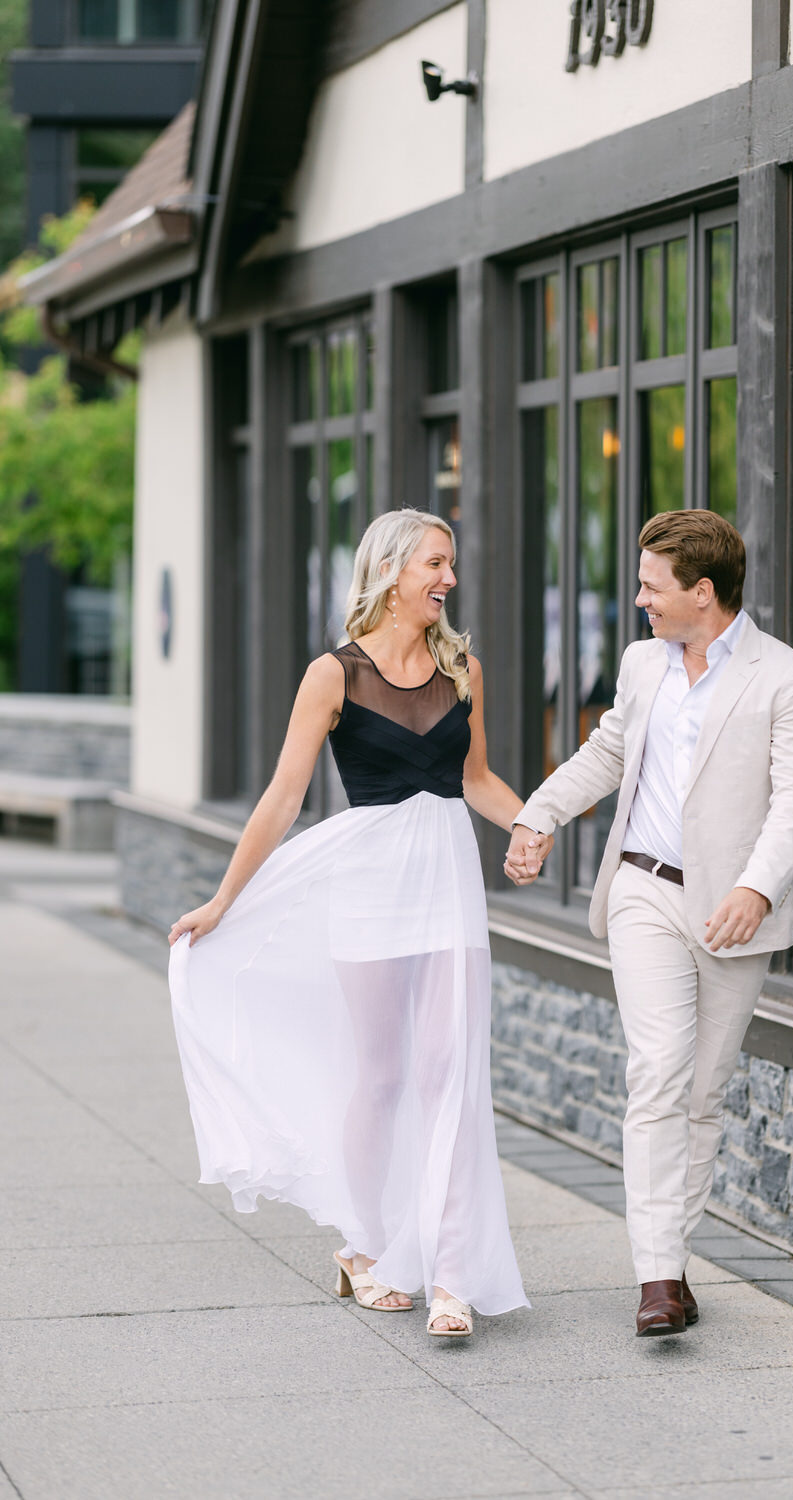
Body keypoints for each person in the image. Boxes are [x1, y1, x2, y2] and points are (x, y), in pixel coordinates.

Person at [168, 508, 529, 1338]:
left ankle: (448, 1271)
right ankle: (364, 1249)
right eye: (436, 563)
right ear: (394, 570)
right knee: (384, 1076)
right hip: (368, 891)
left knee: (453, 1072)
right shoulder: (332, 675)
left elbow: (476, 780)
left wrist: (536, 823)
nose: (450, 578)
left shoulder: (465, 667)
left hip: (447, 886)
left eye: (451, 564)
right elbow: (282, 799)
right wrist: (223, 900)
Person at [505, 510, 793, 1337]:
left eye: (654, 586)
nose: (641, 599)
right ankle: (656, 1278)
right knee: (658, 1072)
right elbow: (610, 752)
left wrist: (757, 890)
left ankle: (673, 1261)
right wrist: (539, 814)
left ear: (703, 592)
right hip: (644, 891)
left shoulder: (787, 678)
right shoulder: (643, 663)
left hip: (731, 912)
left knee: (702, 1093)